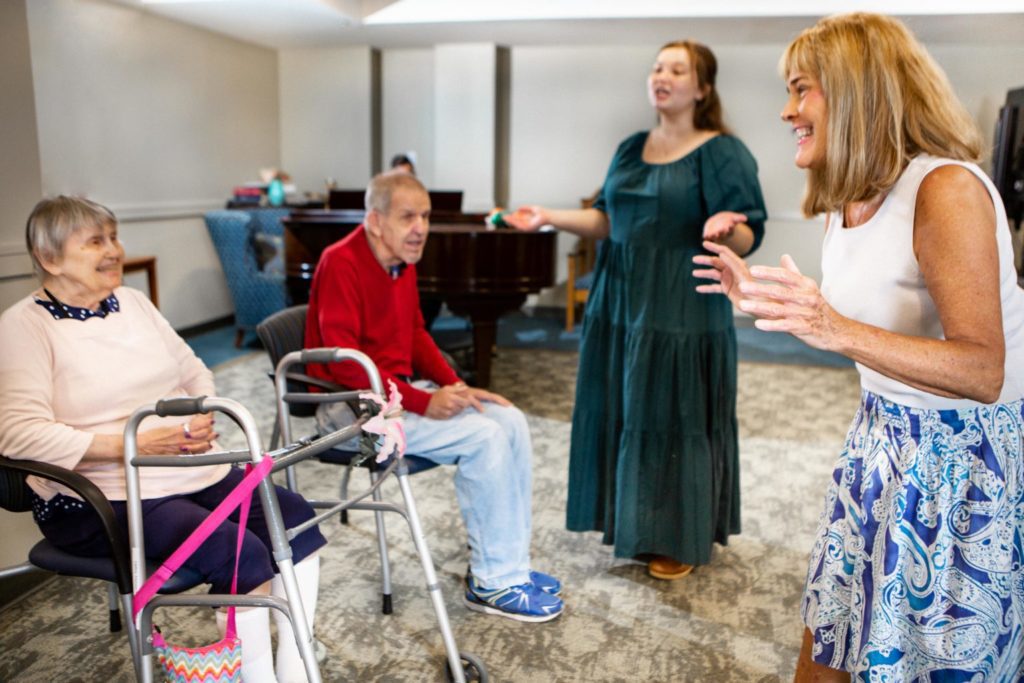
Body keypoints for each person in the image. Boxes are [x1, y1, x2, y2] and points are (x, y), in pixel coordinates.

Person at [693, 13, 1024, 681]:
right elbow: (869, 315)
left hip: (966, 461)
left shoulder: (946, 189)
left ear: (855, 92)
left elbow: (982, 369)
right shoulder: (848, 199)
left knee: (925, 661)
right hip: (880, 438)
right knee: (832, 641)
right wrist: (768, 297)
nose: (787, 111)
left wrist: (830, 326)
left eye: (801, 89)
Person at [0, 196, 326, 683]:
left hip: (185, 470)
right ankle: (259, 677)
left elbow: (193, 369)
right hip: (99, 496)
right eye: (95, 242)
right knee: (242, 552)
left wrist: (202, 415)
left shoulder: (133, 302)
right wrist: (133, 447)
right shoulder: (23, 327)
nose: (114, 250)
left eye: (113, 237)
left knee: (295, 517)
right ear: (50, 258)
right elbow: (18, 435)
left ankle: (295, 665)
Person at [504, 40, 767, 580]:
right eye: (656, 67)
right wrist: (546, 217)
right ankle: (632, 522)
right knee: (626, 409)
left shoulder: (722, 152)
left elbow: (747, 232)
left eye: (677, 69)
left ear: (703, 88)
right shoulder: (629, 148)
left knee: (675, 413)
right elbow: (606, 220)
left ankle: (677, 534)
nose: (661, 76)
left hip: (682, 307)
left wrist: (726, 228)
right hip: (621, 299)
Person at [304, 171, 564, 622]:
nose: (420, 227)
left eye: (424, 215)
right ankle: (492, 581)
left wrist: (454, 386)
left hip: (388, 399)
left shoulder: (400, 262)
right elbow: (349, 366)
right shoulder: (340, 261)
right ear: (375, 220)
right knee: (483, 438)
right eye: (408, 217)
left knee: (509, 419)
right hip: (347, 418)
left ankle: (510, 565)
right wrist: (426, 402)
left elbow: (416, 334)